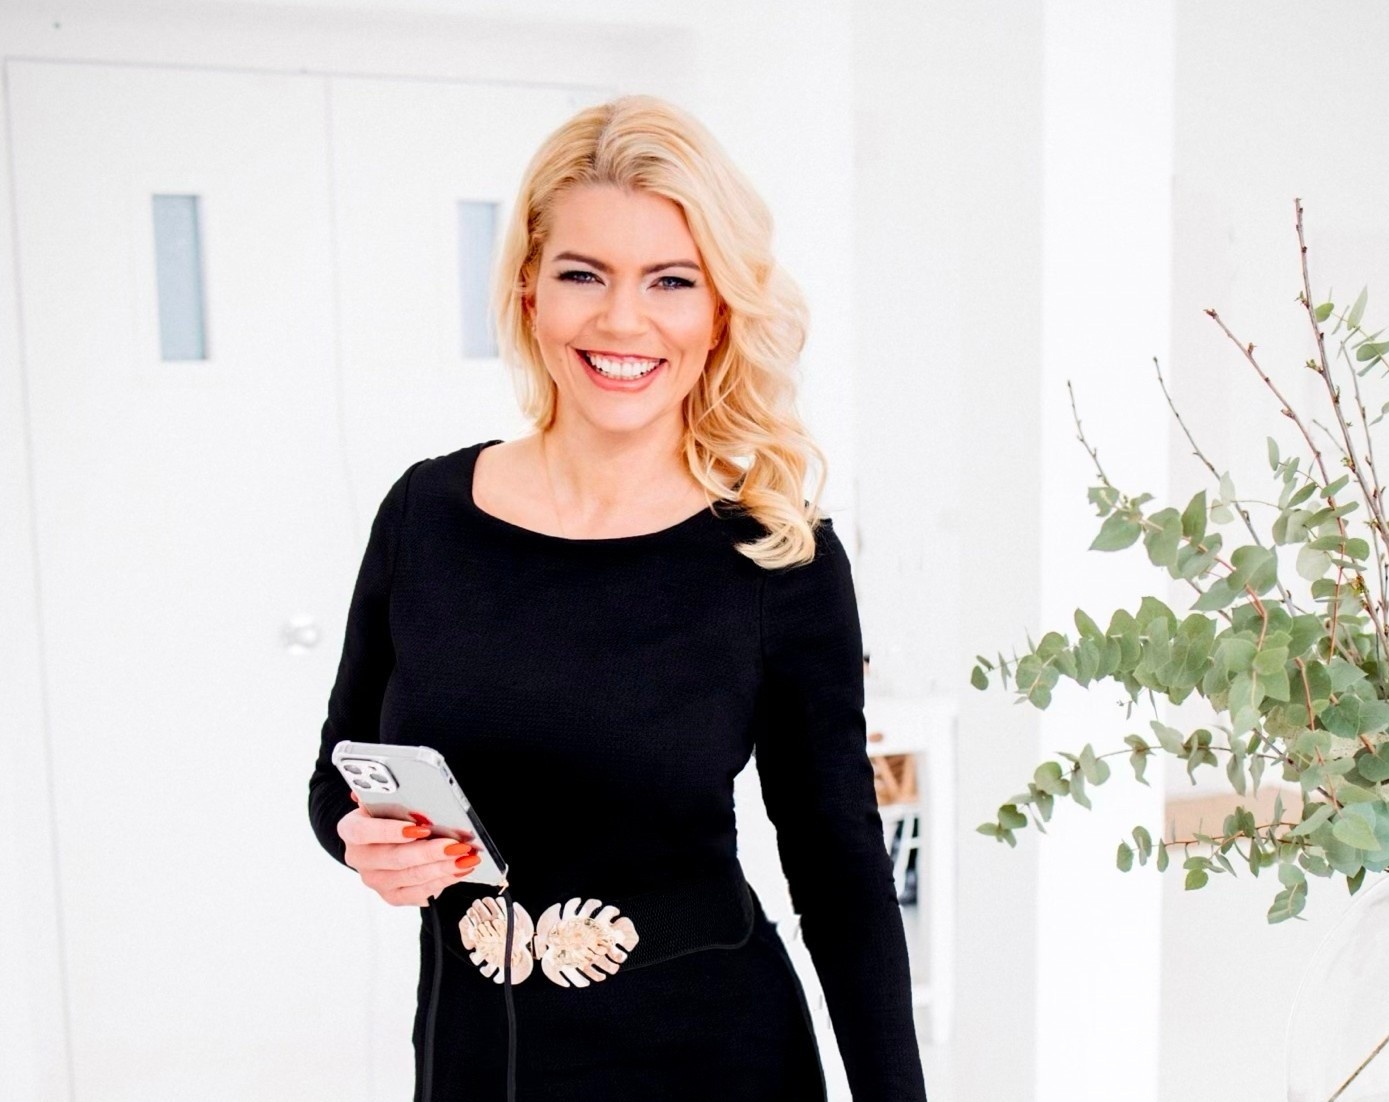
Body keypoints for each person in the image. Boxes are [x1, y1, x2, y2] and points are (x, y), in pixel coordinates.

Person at [306, 94, 929, 1102]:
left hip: (712, 1062)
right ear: (529, 290)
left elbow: (838, 866)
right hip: (476, 1057)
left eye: (671, 280)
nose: (622, 320)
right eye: (583, 274)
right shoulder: (424, 515)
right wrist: (359, 840)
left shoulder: (779, 554)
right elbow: (338, 773)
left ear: (719, 311)